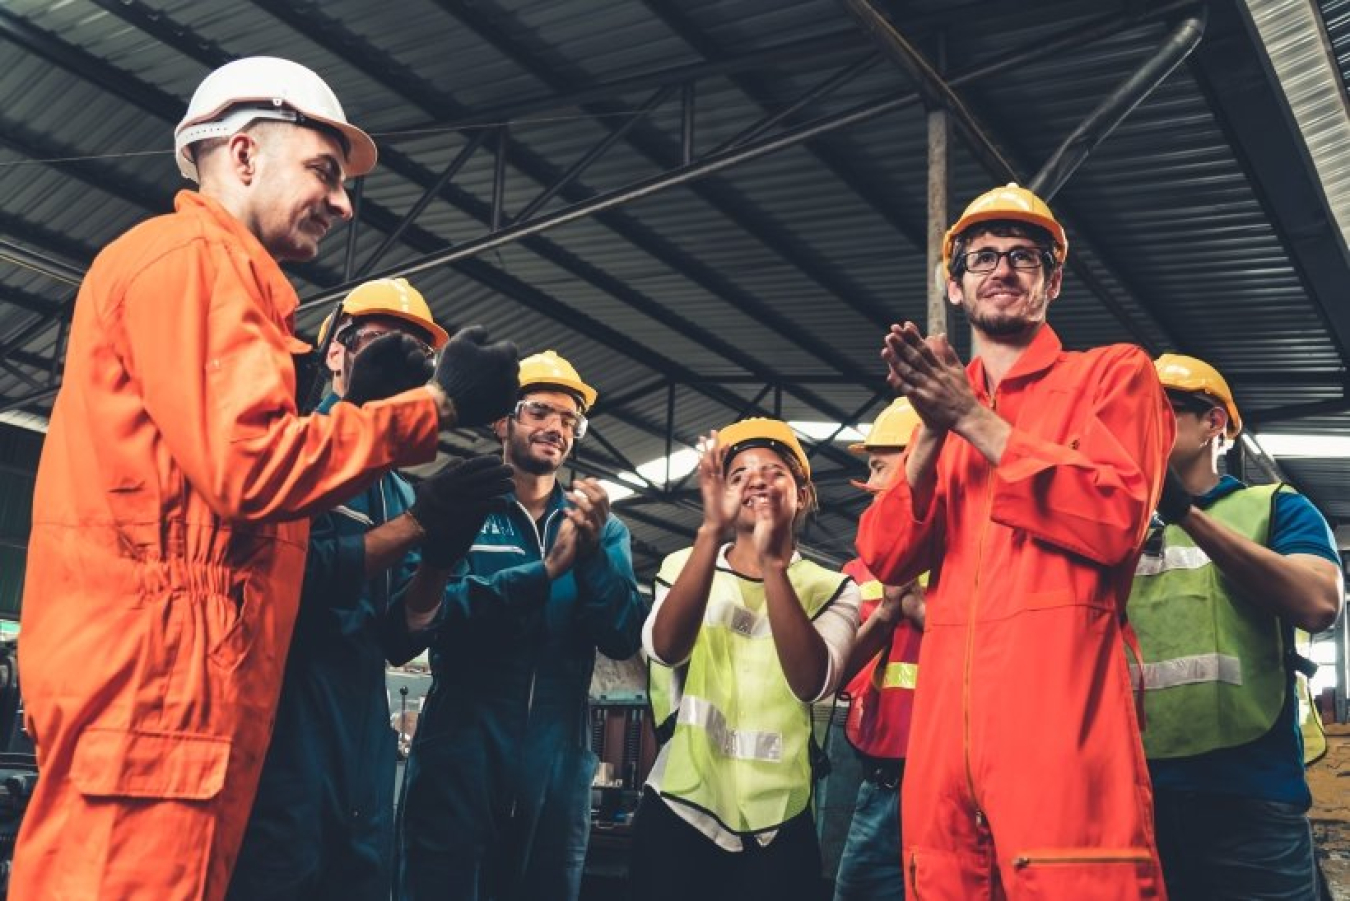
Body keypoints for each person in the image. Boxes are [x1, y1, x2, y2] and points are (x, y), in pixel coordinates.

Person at [14, 57, 518, 901]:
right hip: (155, 705)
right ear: (243, 156)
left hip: (184, 706)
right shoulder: (192, 263)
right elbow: (251, 470)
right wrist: (432, 405)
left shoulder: (228, 285)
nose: (345, 202)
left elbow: (258, 517)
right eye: (325, 171)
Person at [856, 183, 1175, 898]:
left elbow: (1117, 517)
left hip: (1060, 737)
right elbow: (885, 554)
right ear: (955, 284)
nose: (1002, 269)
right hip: (942, 746)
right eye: (983, 257)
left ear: (1053, 281)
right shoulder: (938, 416)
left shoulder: (1111, 374)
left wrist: (971, 417)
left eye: (1024, 257)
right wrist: (932, 431)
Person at [227, 278, 515, 901]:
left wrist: (438, 556)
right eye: (386, 345)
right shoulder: (291, 454)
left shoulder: (404, 490)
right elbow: (287, 578)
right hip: (284, 735)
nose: (404, 365)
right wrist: (415, 529)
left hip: (361, 749)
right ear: (336, 352)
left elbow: (396, 638)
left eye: (419, 357)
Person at [398, 350, 645, 901]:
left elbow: (622, 635)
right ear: (501, 421)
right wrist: (542, 573)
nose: (556, 427)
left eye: (569, 420)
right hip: (460, 747)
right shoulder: (461, 506)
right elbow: (426, 616)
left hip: (558, 763)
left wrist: (593, 558)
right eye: (539, 411)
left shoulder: (602, 532)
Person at [1128, 354, 1342, 901]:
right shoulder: (1114, 528)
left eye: (1162, 410)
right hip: (1132, 796)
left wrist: (1187, 515)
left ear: (1212, 423)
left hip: (1248, 796)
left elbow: (1319, 603)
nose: (1138, 424)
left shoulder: (1276, 508)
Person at [633, 417, 862, 901]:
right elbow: (666, 647)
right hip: (683, 805)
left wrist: (773, 563)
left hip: (779, 821)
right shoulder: (682, 565)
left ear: (804, 494)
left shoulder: (833, 589)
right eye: (738, 475)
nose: (757, 480)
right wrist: (709, 534)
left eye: (775, 472)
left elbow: (813, 681)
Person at [834, 398, 926, 901]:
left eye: (877, 465)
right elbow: (833, 675)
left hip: (950, 790)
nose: (869, 483)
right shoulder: (858, 574)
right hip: (879, 788)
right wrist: (890, 613)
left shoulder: (974, 558)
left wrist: (921, 610)